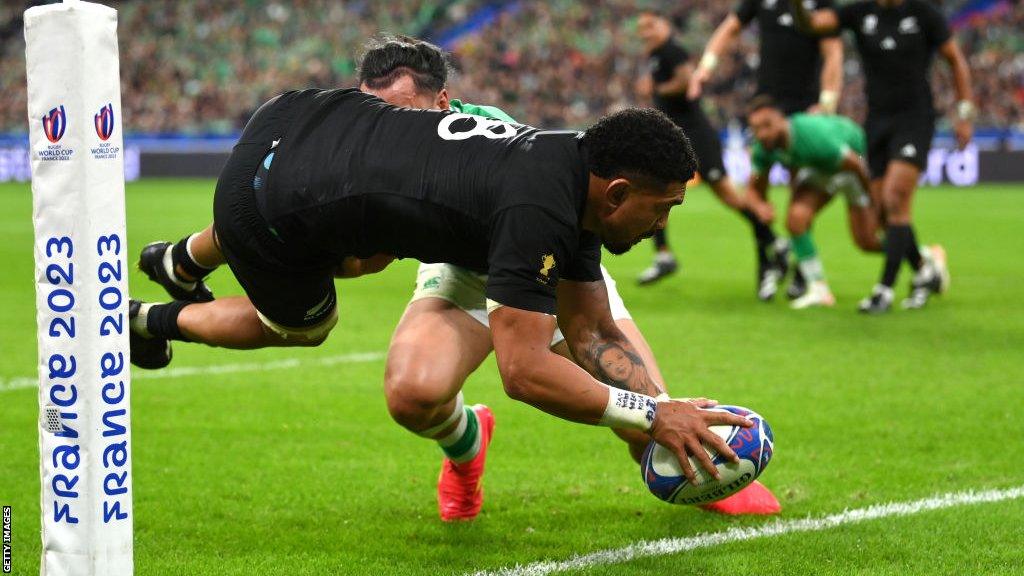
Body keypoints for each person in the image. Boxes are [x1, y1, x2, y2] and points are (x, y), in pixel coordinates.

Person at [135, 36, 778, 520]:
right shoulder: (542, 195)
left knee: (629, 397)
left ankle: (704, 470)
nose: (663, 223)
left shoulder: (563, 182)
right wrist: (649, 410)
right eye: (663, 208)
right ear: (615, 192)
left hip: (474, 221)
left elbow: (592, 332)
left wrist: (655, 412)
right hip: (436, 243)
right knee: (399, 385)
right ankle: (468, 450)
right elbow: (523, 371)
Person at [791, 0, 972, 312]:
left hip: (914, 120)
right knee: (883, 216)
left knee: (895, 198)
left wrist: (965, 111)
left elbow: (955, 60)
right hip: (876, 124)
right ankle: (925, 268)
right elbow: (811, 23)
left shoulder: (923, 13)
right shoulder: (860, 12)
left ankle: (883, 290)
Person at [689, 0, 845, 300]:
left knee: (800, 193)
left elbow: (833, 52)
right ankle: (767, 265)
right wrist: (705, 67)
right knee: (756, 191)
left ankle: (801, 268)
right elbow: (730, 27)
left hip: (803, 112)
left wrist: (827, 101)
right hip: (766, 108)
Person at [634, 11, 784, 299]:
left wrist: (656, 88)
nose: (645, 33)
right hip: (676, 137)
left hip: (697, 137)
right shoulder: (656, 55)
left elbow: (685, 82)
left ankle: (773, 241)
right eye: (641, 28)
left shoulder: (671, 51)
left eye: (650, 26)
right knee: (652, 187)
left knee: (730, 197)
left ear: (664, 25)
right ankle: (663, 254)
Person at [745, 96, 886, 309]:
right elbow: (754, 188)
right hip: (821, 170)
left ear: (781, 119)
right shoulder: (763, 149)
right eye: (756, 128)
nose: (762, 133)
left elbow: (855, 165)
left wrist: (874, 203)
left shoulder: (810, 135)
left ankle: (922, 256)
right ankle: (819, 289)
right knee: (796, 219)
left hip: (853, 165)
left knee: (867, 241)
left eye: (767, 125)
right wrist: (759, 206)